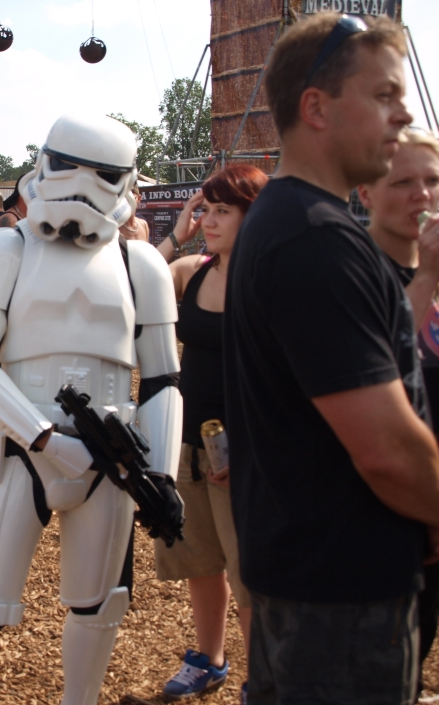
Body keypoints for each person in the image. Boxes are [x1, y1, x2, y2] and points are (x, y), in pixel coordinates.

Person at [223, 14, 438, 704]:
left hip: (306, 580)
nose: (404, 113)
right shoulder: (316, 240)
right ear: (315, 106)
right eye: (383, 96)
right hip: (342, 602)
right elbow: (387, 451)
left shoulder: (288, 223)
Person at [0, 114, 183, 705]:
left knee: (100, 606)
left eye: (100, 176)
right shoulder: (6, 248)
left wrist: (162, 473)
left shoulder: (140, 264)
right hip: (23, 450)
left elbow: (164, 379)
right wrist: (45, 438)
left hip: (111, 457)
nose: (81, 187)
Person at [152, 166, 268, 700]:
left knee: (251, 580)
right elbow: (137, 278)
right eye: (207, 208)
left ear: (254, 214)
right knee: (200, 561)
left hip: (245, 453)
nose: (211, 219)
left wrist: (252, 449)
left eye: (224, 210)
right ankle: (210, 659)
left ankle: (263, 680)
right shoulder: (191, 271)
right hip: (190, 443)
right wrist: (180, 228)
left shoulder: (270, 281)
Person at [358, 125, 439, 700]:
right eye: (403, 181)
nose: (422, 196)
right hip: (394, 516)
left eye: (432, 181)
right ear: (365, 192)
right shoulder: (357, 277)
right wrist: (427, 275)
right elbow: (384, 364)